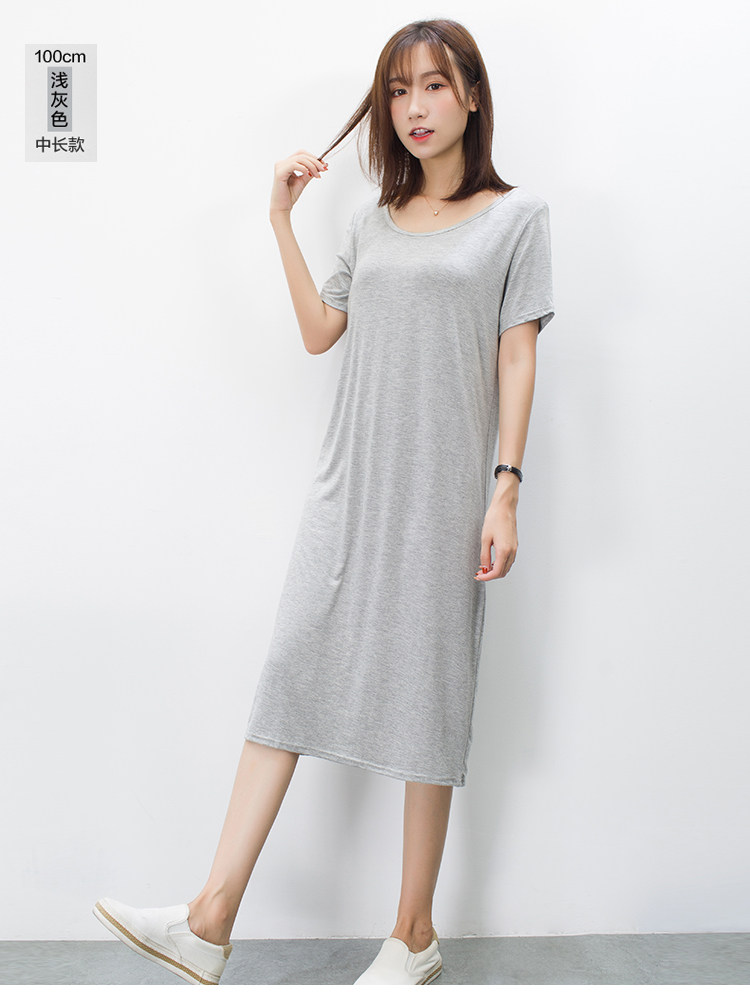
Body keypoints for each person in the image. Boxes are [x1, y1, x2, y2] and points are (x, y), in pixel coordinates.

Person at [92, 17, 555, 986]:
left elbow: (517, 355)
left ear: (472, 94)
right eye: (398, 90)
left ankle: (413, 934)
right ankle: (209, 919)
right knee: (290, 676)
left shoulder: (516, 218)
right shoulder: (372, 221)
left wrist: (505, 490)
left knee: (429, 697)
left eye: (434, 85)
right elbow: (318, 332)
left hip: (443, 495)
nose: (415, 107)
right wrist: (280, 220)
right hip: (348, 488)